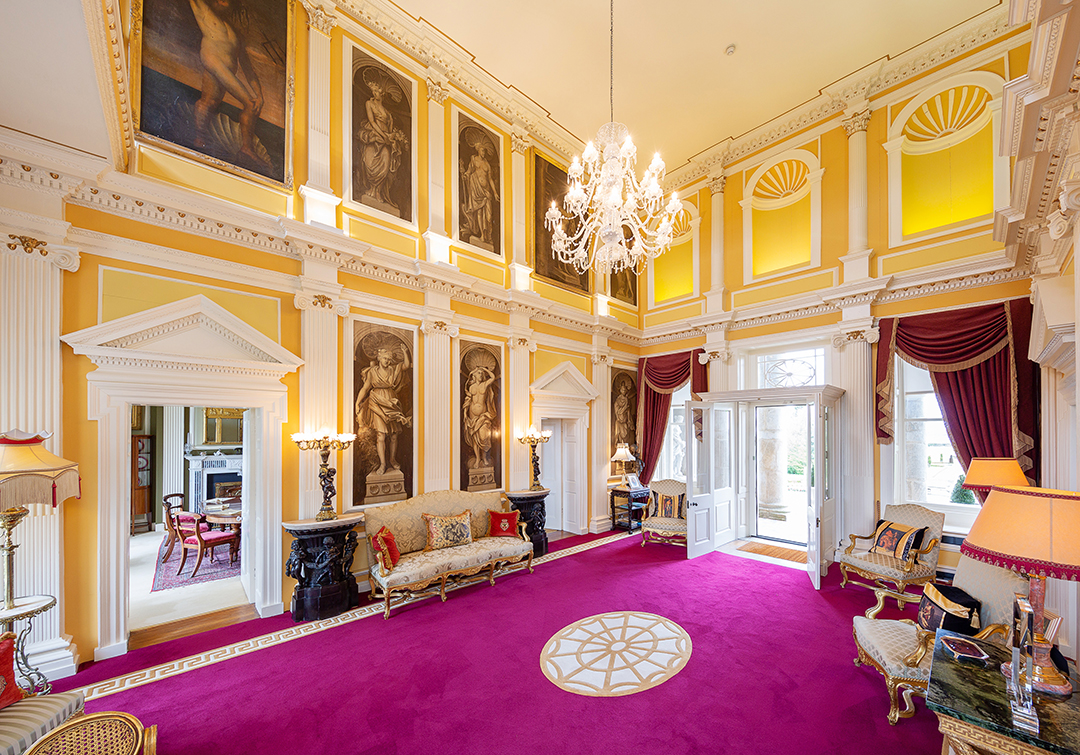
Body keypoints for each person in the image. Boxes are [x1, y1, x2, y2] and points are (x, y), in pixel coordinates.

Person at [188, 0, 268, 169]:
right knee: (249, 103)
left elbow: (248, 68)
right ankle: (246, 149)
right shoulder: (204, 12)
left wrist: (259, 94)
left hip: (224, 69)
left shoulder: (236, 34)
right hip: (213, 61)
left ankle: (199, 139)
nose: (222, 1)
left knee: (209, 102)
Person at [355, 343, 411, 475]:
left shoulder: (393, 369)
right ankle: (382, 464)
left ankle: (392, 459)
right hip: (377, 401)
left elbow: (406, 365)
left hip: (391, 401)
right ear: (379, 358)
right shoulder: (372, 372)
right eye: (385, 358)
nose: (387, 361)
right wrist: (357, 402)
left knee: (394, 435)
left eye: (389, 359)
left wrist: (404, 351)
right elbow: (365, 388)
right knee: (381, 435)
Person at [356, 73, 405, 210]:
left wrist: (391, 136)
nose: (374, 93)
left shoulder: (388, 114)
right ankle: (371, 189)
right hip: (374, 136)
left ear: (382, 93)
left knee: (385, 164)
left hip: (385, 142)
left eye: (377, 91)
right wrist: (383, 135)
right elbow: (372, 121)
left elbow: (390, 129)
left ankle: (378, 192)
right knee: (369, 161)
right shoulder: (369, 104)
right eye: (373, 91)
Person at [460, 138, 499, 246]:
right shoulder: (474, 159)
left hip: (486, 191)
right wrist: (465, 174)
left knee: (488, 216)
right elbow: (469, 171)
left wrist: (495, 192)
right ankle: (482, 234)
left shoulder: (487, 164)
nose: (483, 153)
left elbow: (490, 179)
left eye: (484, 151)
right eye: (482, 150)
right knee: (479, 213)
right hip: (476, 188)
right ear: (478, 150)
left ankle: (488, 235)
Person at [463, 365, 497, 469]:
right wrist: (465, 413)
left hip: (483, 416)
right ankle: (478, 459)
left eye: (482, 373)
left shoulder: (484, 385)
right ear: (474, 375)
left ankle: (485, 457)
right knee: (475, 439)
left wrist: (485, 369)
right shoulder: (471, 387)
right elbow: (468, 400)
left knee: (484, 437)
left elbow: (493, 377)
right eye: (479, 373)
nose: (481, 375)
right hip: (472, 416)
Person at [613, 380, 633, 445]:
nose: (624, 391)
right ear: (620, 390)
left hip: (625, 420)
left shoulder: (627, 400)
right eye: (622, 390)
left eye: (625, 390)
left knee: (626, 433)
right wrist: (624, 408)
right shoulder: (618, 400)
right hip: (619, 420)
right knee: (620, 434)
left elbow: (628, 411)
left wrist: (629, 420)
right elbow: (617, 409)